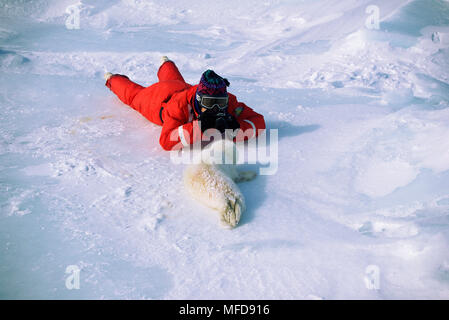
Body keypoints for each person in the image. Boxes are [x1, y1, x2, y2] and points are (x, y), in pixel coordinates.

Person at [104, 56, 265, 151]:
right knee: (133, 95)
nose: (216, 108)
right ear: (199, 99)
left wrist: (236, 128)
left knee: (173, 79)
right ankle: (112, 79)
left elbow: (259, 121)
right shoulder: (179, 108)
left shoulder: (228, 103)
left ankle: (166, 63)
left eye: (220, 102)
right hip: (156, 100)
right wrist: (199, 127)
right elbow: (166, 141)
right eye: (209, 102)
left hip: (180, 87)